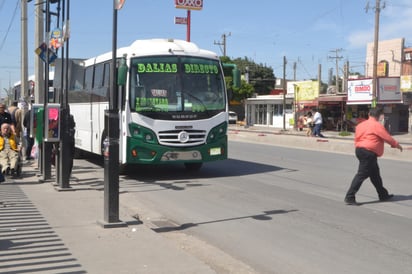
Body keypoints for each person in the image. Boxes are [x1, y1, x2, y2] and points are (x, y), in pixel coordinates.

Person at [344, 108, 403, 205]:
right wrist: (397, 145)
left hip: (360, 150)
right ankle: (350, 196)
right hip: (368, 152)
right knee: (362, 174)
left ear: (368, 114)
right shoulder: (376, 125)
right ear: (379, 115)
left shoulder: (361, 125)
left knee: (375, 175)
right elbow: (387, 137)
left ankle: (383, 194)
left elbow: (357, 138)